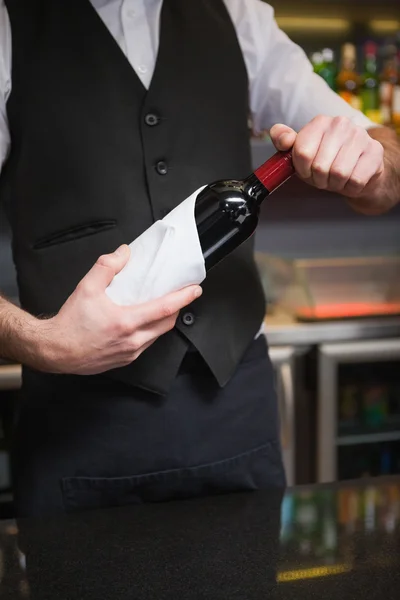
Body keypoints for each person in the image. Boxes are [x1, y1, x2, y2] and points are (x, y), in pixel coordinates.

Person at [0, 0, 399, 517]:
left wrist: (370, 160)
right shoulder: (11, 20)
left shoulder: (238, 15)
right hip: (76, 427)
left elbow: (385, 172)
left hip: (235, 409)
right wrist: (42, 342)